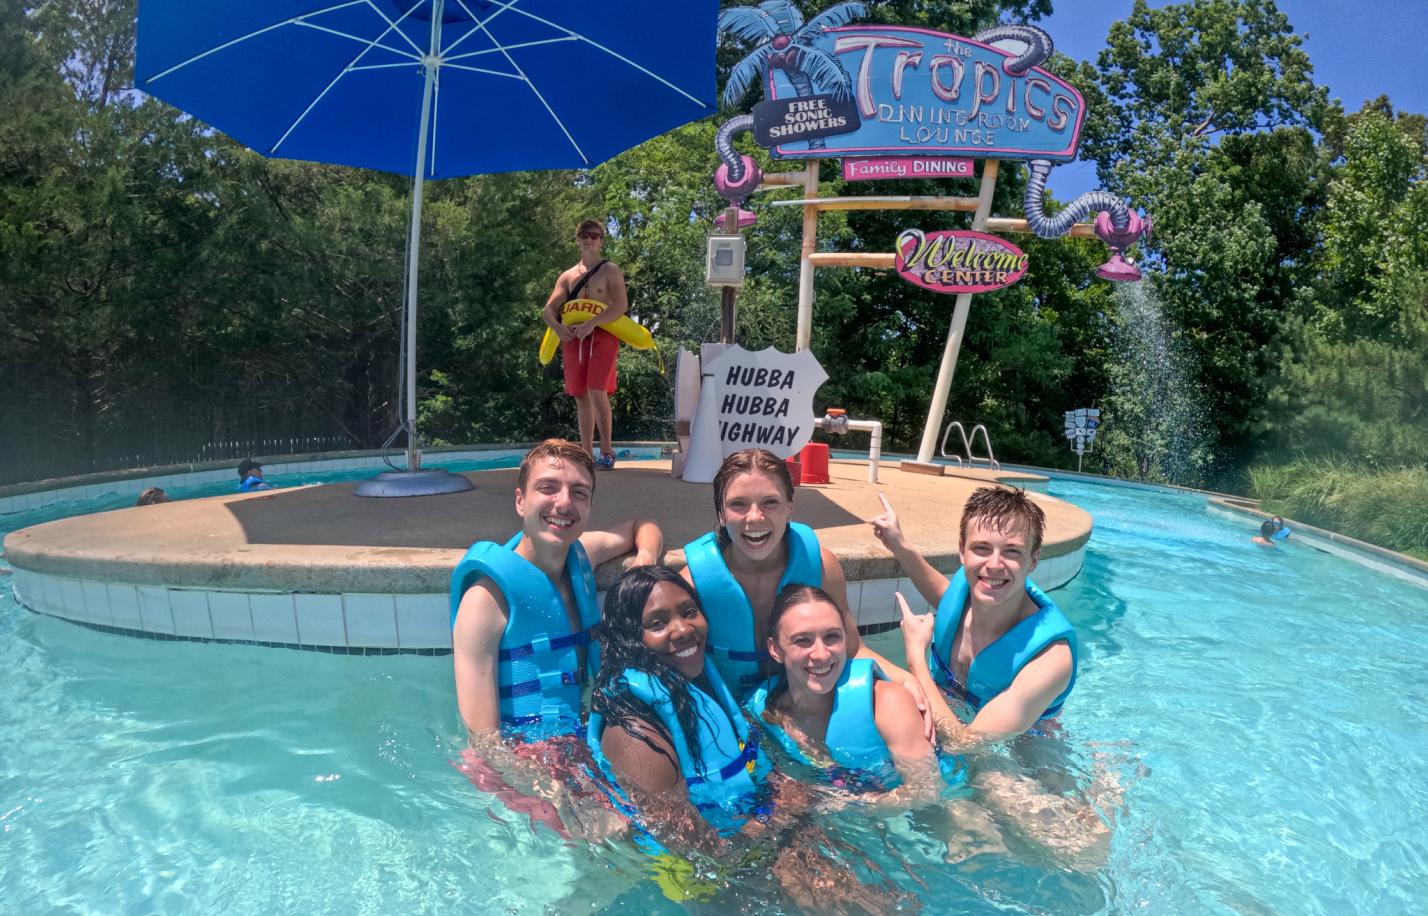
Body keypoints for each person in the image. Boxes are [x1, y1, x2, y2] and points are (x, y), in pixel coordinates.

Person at [449, 439, 661, 838]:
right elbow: (482, 745)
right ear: (520, 500)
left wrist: (645, 561)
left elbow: (642, 527)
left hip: (588, 734)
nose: (563, 503)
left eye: (578, 493)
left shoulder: (583, 556)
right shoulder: (485, 602)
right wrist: (532, 800)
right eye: (548, 488)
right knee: (616, 835)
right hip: (531, 756)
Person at [680, 449, 932, 733]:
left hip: (800, 713)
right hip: (727, 720)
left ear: (790, 508)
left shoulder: (821, 567)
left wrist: (906, 679)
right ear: (721, 514)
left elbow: (852, 648)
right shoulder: (692, 586)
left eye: (770, 502)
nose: (755, 518)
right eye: (738, 504)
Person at [868, 487, 1076, 746]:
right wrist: (898, 543)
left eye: (1012, 551)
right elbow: (943, 595)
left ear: (1034, 559)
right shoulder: (966, 594)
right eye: (982, 548)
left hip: (1017, 752)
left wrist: (915, 659)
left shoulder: (1050, 658)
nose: (994, 564)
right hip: (950, 715)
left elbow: (966, 744)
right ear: (962, 551)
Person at [587, 564, 773, 855]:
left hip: (747, 833)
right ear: (630, 638)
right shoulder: (634, 731)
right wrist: (774, 832)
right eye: (658, 623)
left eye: (689, 612)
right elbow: (687, 843)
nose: (684, 629)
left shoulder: (696, 685)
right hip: (694, 875)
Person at [747, 584, 947, 799]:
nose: (821, 654)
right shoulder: (763, 713)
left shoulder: (887, 703)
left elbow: (927, 791)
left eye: (832, 636)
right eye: (802, 640)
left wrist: (841, 802)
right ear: (775, 650)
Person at [542, 219, 629, 469]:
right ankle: (586, 453)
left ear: (601, 240)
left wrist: (593, 323)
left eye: (594, 235)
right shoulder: (567, 276)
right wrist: (558, 328)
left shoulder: (610, 270)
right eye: (584, 235)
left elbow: (621, 306)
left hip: (602, 335)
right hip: (573, 338)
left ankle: (607, 451)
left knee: (596, 389)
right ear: (577, 239)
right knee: (580, 394)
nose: (588, 239)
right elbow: (549, 310)